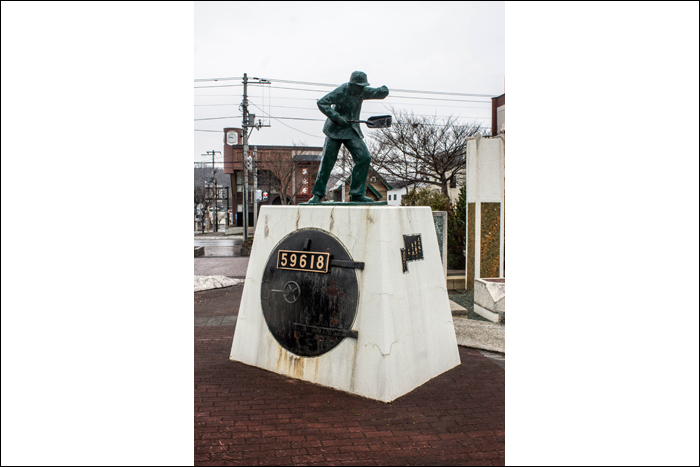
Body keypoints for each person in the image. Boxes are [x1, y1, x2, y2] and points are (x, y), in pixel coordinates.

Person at [305, 71, 389, 204]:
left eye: (363, 86)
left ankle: (357, 193)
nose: (361, 88)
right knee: (327, 162)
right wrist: (337, 117)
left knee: (364, 157)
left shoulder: (362, 91)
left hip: (351, 130)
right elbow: (322, 103)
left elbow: (376, 93)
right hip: (334, 130)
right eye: (359, 86)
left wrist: (383, 91)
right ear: (352, 84)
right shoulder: (342, 90)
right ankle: (317, 194)